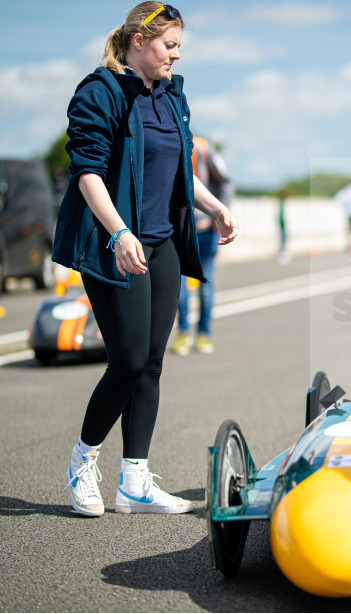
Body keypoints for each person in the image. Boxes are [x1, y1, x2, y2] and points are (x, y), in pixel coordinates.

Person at [53, 2, 238, 517]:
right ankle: (82, 461)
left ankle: (135, 481)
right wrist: (119, 232)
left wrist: (216, 206)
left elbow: (179, 169)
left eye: (179, 46)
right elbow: (87, 172)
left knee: (152, 364)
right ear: (138, 40)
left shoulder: (172, 95)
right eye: (169, 45)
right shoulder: (101, 91)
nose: (177, 56)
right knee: (129, 360)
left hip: (161, 245)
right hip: (116, 245)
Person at [171, 136, 233, 356]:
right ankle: (184, 332)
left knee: (205, 283)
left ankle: (203, 333)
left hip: (206, 228)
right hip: (177, 229)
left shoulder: (203, 147)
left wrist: (221, 213)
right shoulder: (168, 140)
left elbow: (225, 180)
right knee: (178, 287)